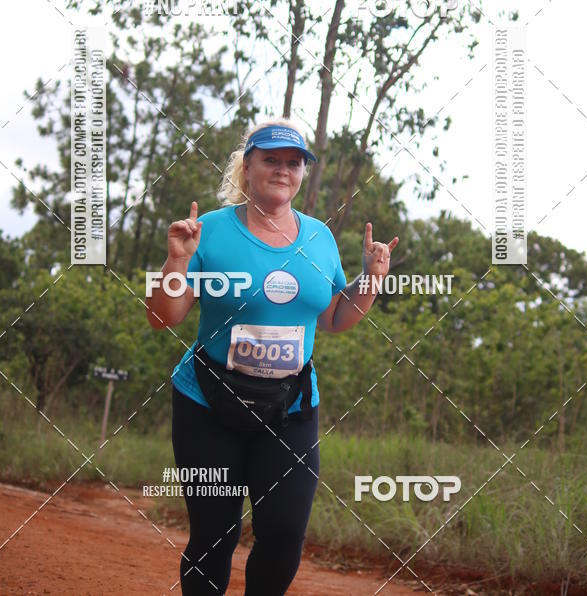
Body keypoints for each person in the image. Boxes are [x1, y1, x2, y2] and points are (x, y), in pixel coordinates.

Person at [145, 117, 398, 595]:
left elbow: (333, 319)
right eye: (272, 160)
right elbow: (163, 317)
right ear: (249, 165)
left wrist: (371, 279)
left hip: (291, 407)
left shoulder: (319, 238)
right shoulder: (209, 231)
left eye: (294, 162)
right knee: (214, 535)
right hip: (208, 403)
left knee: (283, 535)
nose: (284, 170)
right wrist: (177, 260)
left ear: (302, 172)